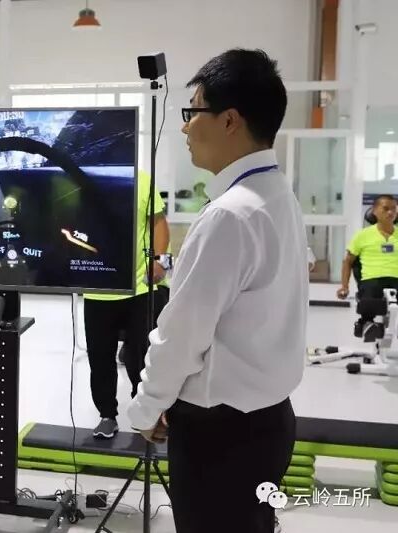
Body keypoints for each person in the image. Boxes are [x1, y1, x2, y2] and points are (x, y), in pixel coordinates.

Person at [128, 49, 307, 533]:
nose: (185, 127)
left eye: (193, 111)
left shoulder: (230, 215)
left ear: (229, 120)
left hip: (221, 434)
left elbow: (182, 335)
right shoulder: (277, 195)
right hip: (268, 419)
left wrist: (147, 407)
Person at [84, 170, 171, 439]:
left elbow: (158, 223)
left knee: (142, 358)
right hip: (97, 289)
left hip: (139, 287)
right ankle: (106, 415)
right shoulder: (80, 181)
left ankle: (142, 414)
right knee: (100, 359)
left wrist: (160, 261)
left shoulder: (141, 179)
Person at [337, 195, 398, 313]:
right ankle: (368, 323)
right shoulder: (362, 235)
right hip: (372, 280)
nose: (390, 212)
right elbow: (348, 262)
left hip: (396, 279)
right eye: (385, 209)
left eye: (394, 209)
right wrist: (344, 287)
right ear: (374, 211)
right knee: (369, 308)